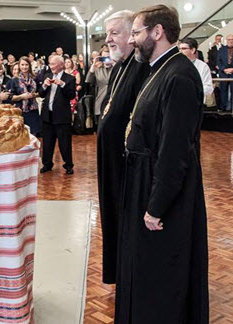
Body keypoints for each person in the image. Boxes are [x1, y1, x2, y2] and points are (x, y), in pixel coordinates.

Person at [114, 5, 209, 323]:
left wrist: (156, 206)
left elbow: (174, 151)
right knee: (143, 267)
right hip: (143, 179)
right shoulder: (160, 68)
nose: (133, 39)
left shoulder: (180, 74)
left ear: (158, 32)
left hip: (161, 191)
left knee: (161, 274)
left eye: (137, 32)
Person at [97, 10, 150, 285]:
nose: (108, 39)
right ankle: (118, 269)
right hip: (111, 162)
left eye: (114, 33)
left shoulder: (142, 67)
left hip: (126, 163)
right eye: (107, 34)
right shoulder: (119, 67)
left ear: (132, 35)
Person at [39, 55, 76, 174]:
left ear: (61, 65)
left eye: (54, 64)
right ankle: (47, 164)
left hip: (62, 117)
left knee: (65, 143)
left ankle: (68, 165)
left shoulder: (69, 78)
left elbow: (71, 95)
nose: (51, 66)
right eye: (50, 64)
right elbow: (41, 94)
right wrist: (44, 86)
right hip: (47, 116)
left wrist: (63, 84)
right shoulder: (47, 76)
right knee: (47, 143)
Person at [8, 56, 40, 135]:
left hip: (33, 111)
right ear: (19, 66)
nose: (24, 67)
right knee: (20, 136)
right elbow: (11, 98)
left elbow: (40, 92)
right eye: (22, 65)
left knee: (33, 135)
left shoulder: (35, 78)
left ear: (29, 65)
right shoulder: (14, 80)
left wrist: (34, 95)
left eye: (26, 65)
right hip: (19, 112)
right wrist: (22, 96)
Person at [86, 48, 114, 124]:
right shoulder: (98, 69)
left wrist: (114, 62)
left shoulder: (117, 68)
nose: (107, 59)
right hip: (100, 100)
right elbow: (88, 80)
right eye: (104, 57)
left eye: (109, 57)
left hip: (114, 101)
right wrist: (94, 64)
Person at [217, 34, 233, 111]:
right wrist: (224, 69)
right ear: (226, 40)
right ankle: (223, 107)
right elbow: (218, 61)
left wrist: (232, 69)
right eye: (229, 39)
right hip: (224, 74)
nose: (231, 41)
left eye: (232, 39)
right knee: (223, 91)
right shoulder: (221, 49)